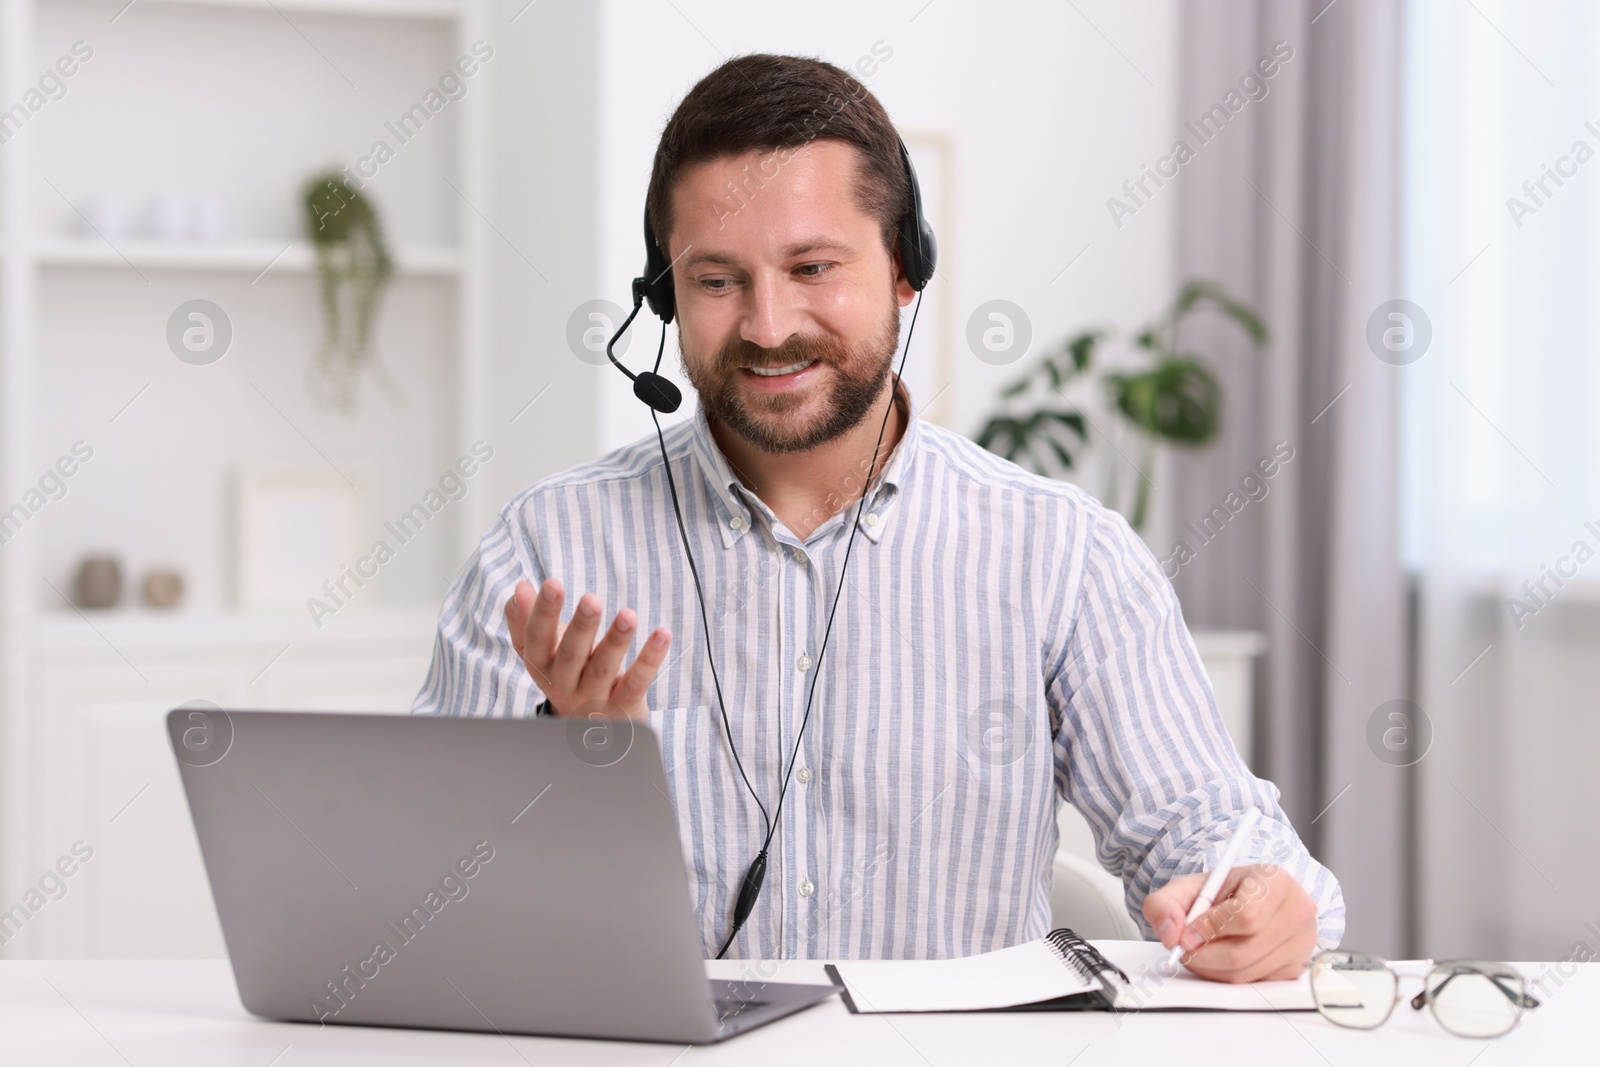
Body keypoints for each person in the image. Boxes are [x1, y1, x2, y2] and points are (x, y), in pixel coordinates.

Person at [414, 52, 1341, 981]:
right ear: (664, 298)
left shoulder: (1063, 554)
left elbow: (1212, 833)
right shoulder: (546, 552)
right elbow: (417, 910)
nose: (769, 325)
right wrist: (570, 778)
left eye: (813, 266)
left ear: (904, 270)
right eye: (716, 280)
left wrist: (1257, 897)